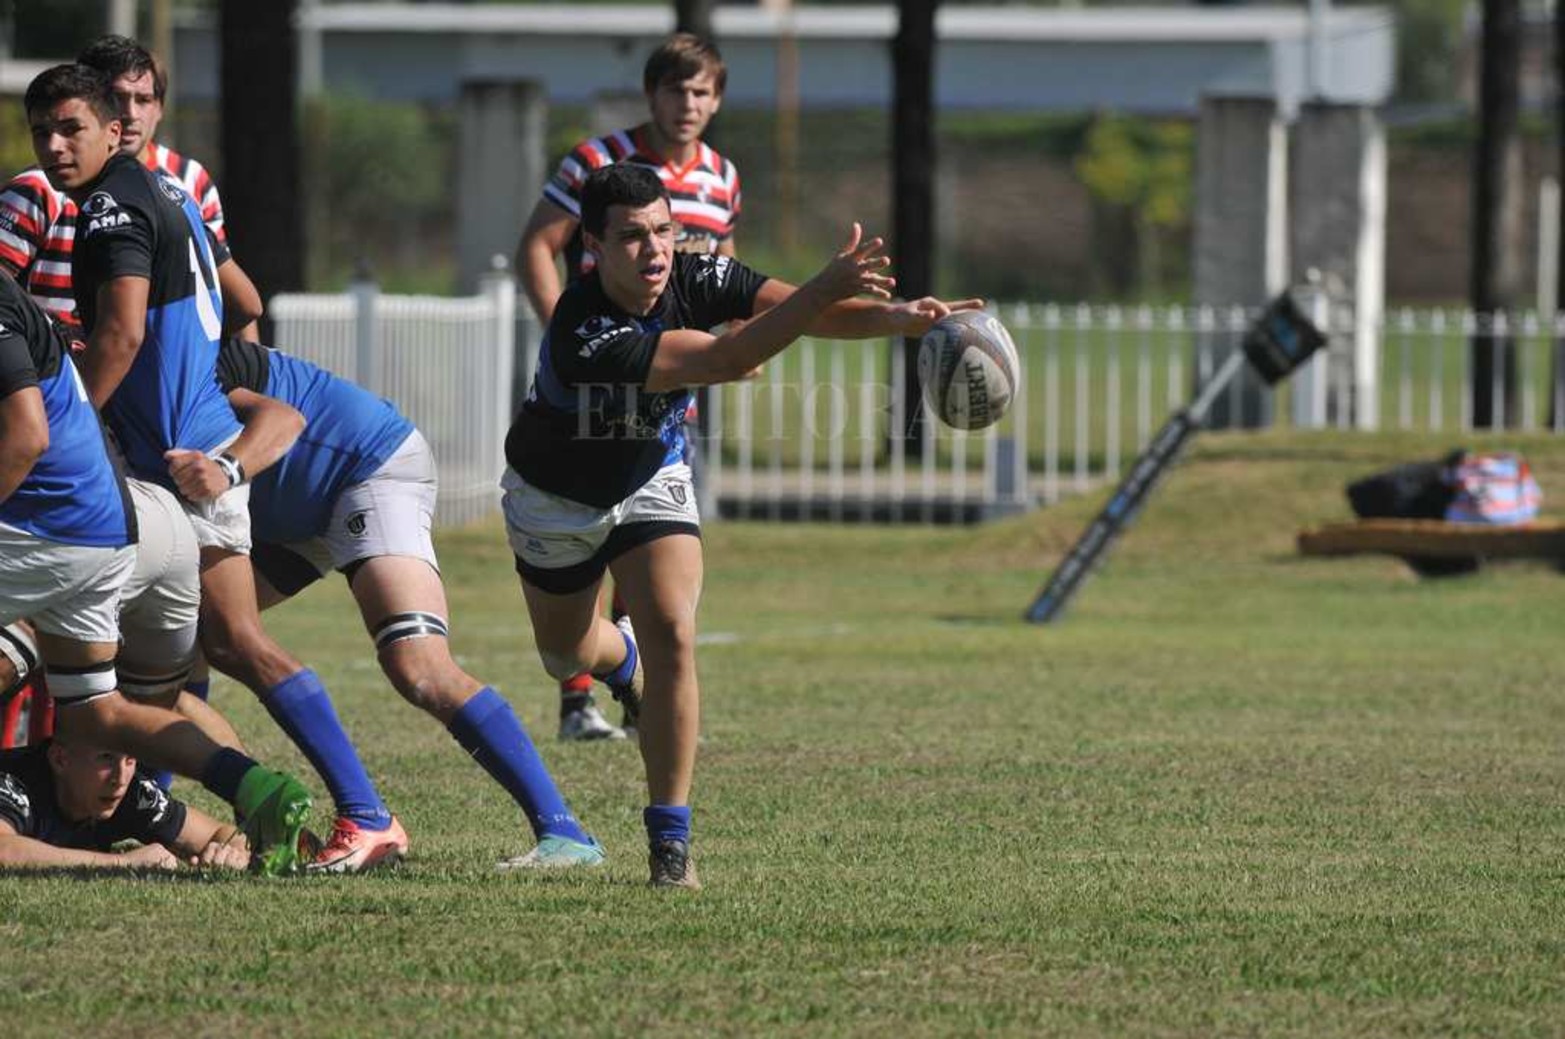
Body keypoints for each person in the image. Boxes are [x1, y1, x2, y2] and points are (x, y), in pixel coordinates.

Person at [501, 163, 983, 887]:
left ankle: (670, 844)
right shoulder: (584, 329)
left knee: (672, 630)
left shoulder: (696, 278)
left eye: (663, 230)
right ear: (594, 246)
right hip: (557, 497)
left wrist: (895, 318)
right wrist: (824, 286)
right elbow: (729, 356)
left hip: (650, 474)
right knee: (566, 650)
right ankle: (620, 664)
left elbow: (803, 312)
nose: (655, 250)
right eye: (632, 237)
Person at [26, 63, 396, 871]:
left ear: (114, 130)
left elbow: (122, 335)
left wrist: (70, 425)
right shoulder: (173, 195)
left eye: (71, 130)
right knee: (170, 671)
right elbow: (245, 295)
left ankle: (363, 813)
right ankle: (201, 819)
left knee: (222, 647)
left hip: (170, 465)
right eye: (43, 133)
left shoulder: (110, 205)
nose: (56, 148)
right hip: (193, 448)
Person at [185, 334, 601, 869]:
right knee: (196, 639)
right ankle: (168, 813)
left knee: (419, 666)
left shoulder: (170, 351)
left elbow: (246, 315)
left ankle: (560, 832)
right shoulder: (152, 344)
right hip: (292, 511)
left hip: (365, 465)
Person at [0, 257, 309, 875]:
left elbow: (27, 436)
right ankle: (252, 786)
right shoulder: (33, 313)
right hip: (134, 525)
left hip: (66, 525)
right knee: (100, 714)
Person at [517, 33, 741, 741]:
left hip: (674, 392)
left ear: (718, 100)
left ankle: (631, 682)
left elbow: (725, 278)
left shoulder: (722, 178)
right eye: (677, 90)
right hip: (593, 388)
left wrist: (732, 345)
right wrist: (576, 338)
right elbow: (538, 243)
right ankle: (579, 696)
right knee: (586, 535)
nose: (689, 104)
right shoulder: (598, 161)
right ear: (652, 94)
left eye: (702, 91)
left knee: (647, 545)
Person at [0, 735, 252, 871]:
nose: (120, 778)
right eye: (106, 758)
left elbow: (222, 833)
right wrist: (122, 863)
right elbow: (4, 851)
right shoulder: (14, 781)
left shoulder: (129, 794)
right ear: (60, 759)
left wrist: (229, 852)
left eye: (130, 759)